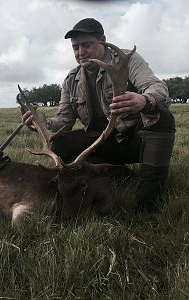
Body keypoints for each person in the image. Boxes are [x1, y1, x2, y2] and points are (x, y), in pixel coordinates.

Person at [21, 18, 175, 213]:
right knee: (60, 144)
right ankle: (116, 174)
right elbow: (64, 121)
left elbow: (157, 87)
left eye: (86, 45)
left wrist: (145, 100)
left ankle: (150, 192)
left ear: (102, 40)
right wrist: (40, 123)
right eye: (75, 47)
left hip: (136, 139)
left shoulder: (127, 60)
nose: (80, 52)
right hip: (102, 142)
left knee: (162, 115)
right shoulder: (71, 80)